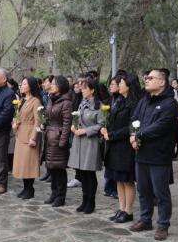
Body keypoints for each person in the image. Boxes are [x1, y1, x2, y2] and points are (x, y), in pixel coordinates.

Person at [129, 69, 178, 241]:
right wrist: (133, 136)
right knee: (143, 190)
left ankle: (163, 225)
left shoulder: (170, 103)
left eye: (150, 78)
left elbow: (160, 126)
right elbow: (134, 120)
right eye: (146, 78)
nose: (146, 80)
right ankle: (145, 220)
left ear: (162, 82)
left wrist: (138, 136)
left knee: (160, 192)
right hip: (141, 153)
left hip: (159, 155)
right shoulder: (144, 101)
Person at [102, 74, 144, 223]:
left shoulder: (136, 104)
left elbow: (131, 127)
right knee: (118, 179)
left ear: (130, 85)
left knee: (127, 180)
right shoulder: (119, 101)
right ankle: (121, 209)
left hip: (126, 146)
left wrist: (112, 135)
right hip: (115, 145)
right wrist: (105, 129)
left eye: (121, 83)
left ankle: (128, 211)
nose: (118, 85)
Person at [68, 78, 105, 214]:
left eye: (85, 88)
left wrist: (85, 131)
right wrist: (74, 126)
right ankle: (84, 200)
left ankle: (91, 201)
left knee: (90, 172)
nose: (82, 91)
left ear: (93, 90)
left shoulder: (99, 106)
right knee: (82, 172)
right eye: (81, 88)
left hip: (90, 142)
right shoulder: (82, 104)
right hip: (79, 141)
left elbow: (102, 125)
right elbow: (78, 120)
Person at [41, 76, 73, 207]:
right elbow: (47, 116)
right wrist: (44, 123)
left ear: (61, 86)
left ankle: (60, 196)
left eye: (54, 84)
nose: (51, 86)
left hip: (58, 137)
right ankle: (54, 194)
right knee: (52, 167)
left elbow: (67, 123)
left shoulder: (66, 102)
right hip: (49, 136)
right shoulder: (51, 99)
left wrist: (63, 141)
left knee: (59, 168)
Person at [12, 77, 42, 199]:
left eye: (24, 84)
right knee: (22, 163)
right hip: (20, 134)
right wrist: (15, 122)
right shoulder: (22, 100)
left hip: (29, 135)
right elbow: (17, 115)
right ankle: (25, 188)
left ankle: (30, 189)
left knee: (29, 163)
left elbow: (38, 121)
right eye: (22, 84)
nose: (22, 86)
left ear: (31, 86)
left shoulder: (36, 101)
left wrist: (33, 138)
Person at [103, 76, 122, 198]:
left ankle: (116, 190)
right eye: (110, 84)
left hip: (117, 135)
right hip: (108, 134)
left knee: (116, 164)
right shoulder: (109, 100)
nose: (110, 86)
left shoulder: (123, 100)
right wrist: (103, 127)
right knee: (109, 162)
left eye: (113, 84)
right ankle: (108, 188)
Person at [38, 75, 54, 182]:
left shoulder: (53, 96)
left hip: (51, 124)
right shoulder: (45, 95)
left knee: (51, 150)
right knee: (46, 149)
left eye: (47, 82)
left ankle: (52, 173)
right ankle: (48, 172)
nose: (45, 84)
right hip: (44, 123)